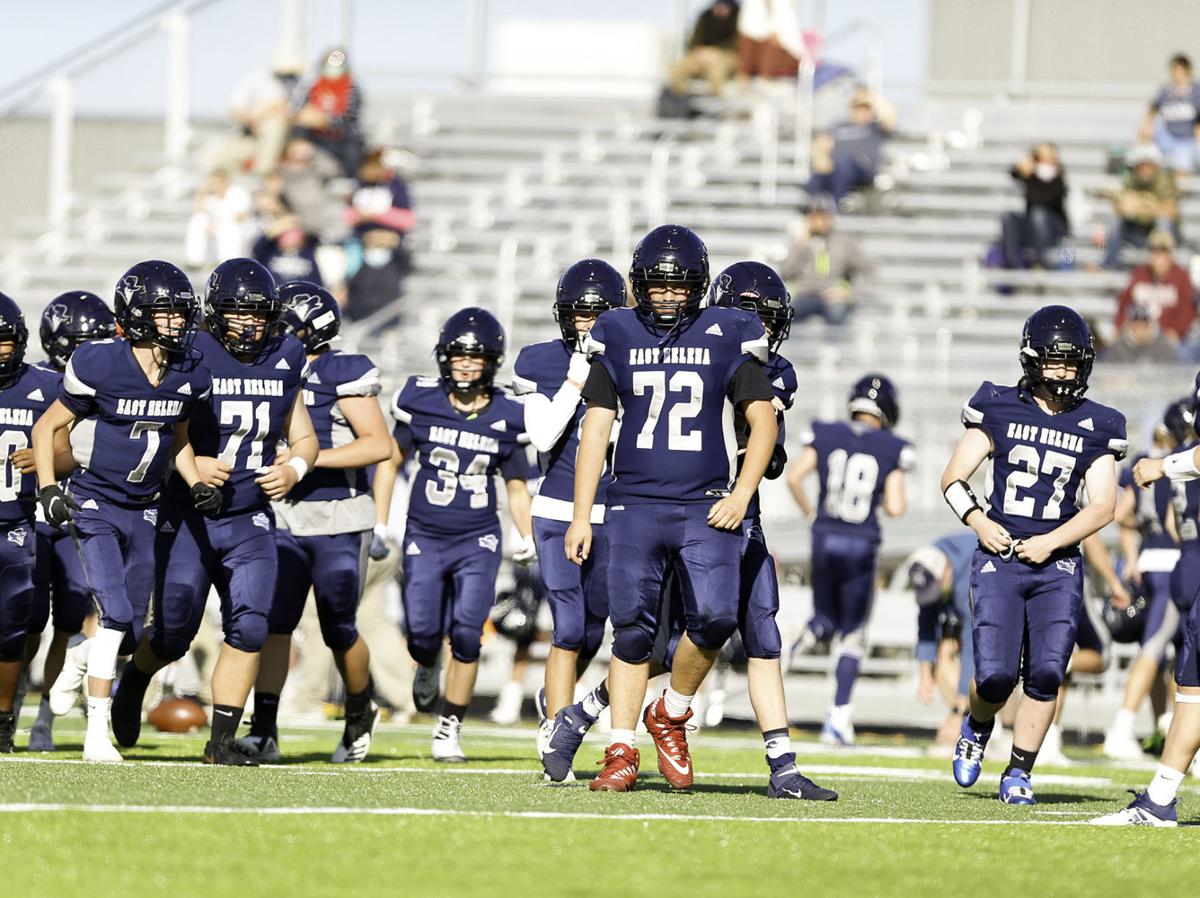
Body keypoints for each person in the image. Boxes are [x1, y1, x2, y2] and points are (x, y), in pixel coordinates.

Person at [564, 225, 778, 793]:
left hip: (704, 506)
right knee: (631, 633)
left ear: (700, 287)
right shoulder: (615, 330)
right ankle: (620, 751)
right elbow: (595, 430)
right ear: (638, 286)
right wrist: (583, 513)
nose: (666, 296)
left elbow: (763, 422)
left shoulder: (728, 333)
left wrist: (740, 492)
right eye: (656, 286)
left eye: (679, 286)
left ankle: (673, 711)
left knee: (715, 619)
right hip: (634, 503)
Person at [109, 259, 317, 766]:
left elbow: (303, 435)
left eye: (257, 314)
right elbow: (153, 423)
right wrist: (192, 461)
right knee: (174, 633)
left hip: (250, 517)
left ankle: (221, 741)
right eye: (235, 313)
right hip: (189, 515)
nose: (248, 324)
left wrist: (295, 470)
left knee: (249, 624)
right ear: (213, 313)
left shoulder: (286, 354)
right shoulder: (188, 349)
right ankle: (136, 675)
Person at [942, 305, 1126, 805]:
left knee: (1047, 670)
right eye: (1055, 362)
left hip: (1058, 562)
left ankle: (1019, 771)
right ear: (1032, 360)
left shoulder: (1099, 423)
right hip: (999, 557)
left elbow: (1104, 506)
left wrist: (1053, 540)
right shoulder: (998, 406)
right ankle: (977, 726)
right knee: (997, 675)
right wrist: (980, 522)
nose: (1065, 372)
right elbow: (953, 478)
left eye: (1073, 363)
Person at [34, 261, 213, 763]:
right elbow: (47, 429)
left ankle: (78, 656)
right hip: (96, 503)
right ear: (136, 314)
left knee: (132, 631)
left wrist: (196, 482)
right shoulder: (101, 363)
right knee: (114, 616)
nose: (177, 323)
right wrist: (49, 488)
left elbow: (177, 439)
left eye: (182, 314)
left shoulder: (188, 370)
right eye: (167, 313)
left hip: (146, 506)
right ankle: (96, 734)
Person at [233, 281, 392, 763]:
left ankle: (360, 710)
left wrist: (304, 460)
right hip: (280, 515)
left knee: (338, 626)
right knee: (273, 624)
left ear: (311, 329)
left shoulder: (341, 371)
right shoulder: (265, 368)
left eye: (280, 323)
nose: (266, 329)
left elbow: (379, 445)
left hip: (338, 516)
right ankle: (263, 729)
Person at [703, 260, 837, 799]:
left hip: (742, 514)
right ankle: (589, 715)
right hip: (684, 509)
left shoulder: (776, 370)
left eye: (766, 319)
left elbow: (764, 445)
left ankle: (783, 765)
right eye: (747, 317)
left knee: (763, 634)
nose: (758, 329)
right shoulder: (686, 355)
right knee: (662, 644)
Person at [390, 308, 533, 762]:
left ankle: (449, 726)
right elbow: (390, 463)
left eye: (476, 358)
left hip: (478, 538)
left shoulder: (509, 414)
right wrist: (382, 521)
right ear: (443, 357)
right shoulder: (419, 400)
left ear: (492, 362)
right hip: (425, 534)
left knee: (469, 634)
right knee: (421, 633)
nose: (466, 365)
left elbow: (515, 485)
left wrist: (524, 535)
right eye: (457, 356)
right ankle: (427, 661)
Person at [510, 259, 625, 780]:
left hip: (616, 512)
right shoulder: (542, 360)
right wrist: (578, 377)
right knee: (568, 627)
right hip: (557, 510)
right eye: (581, 314)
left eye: (599, 314)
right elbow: (543, 434)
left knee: (595, 631)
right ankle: (558, 731)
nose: (589, 323)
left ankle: (556, 703)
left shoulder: (636, 356)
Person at [1091, 379, 1200, 825]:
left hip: (1182, 564)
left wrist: (1163, 466)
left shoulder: (1174, 461)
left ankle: (1124, 732)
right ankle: (1159, 799)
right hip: (1186, 563)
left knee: (1173, 666)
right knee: (1190, 686)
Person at [786, 374, 913, 745]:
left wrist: (812, 513)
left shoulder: (826, 433)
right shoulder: (893, 447)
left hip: (824, 535)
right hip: (860, 541)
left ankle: (801, 638)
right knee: (854, 632)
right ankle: (838, 718)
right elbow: (896, 506)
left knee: (826, 615)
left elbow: (795, 477)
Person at [23, 292, 116, 752]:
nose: (92, 349)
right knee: (26, 619)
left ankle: (44, 719)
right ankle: (13, 704)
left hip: (80, 513)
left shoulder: (112, 381)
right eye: (84, 342)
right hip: (33, 515)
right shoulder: (35, 381)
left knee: (69, 621)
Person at [1101, 404, 1186, 761]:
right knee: (1159, 648)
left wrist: (1132, 557)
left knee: (1167, 651)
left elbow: (1123, 514)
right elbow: (1174, 525)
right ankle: (1122, 728)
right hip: (1177, 562)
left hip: (1150, 560)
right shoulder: (1184, 461)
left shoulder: (1145, 461)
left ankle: (1165, 726)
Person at [0, 295, 60, 751]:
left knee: (12, 624)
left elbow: (79, 450)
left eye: (1, 341)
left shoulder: (46, 385)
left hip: (15, 523)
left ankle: (2, 720)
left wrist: (48, 459)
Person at [905, 532, 978, 747]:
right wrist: (925, 673)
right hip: (971, 631)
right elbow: (926, 622)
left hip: (1008, 626)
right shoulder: (931, 559)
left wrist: (959, 711)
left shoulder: (971, 574)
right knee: (944, 651)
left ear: (947, 571)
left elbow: (975, 642)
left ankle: (983, 725)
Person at [779, 195, 873, 326]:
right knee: (787, 316)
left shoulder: (844, 242)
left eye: (823, 216)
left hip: (834, 296)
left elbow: (867, 271)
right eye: (814, 216)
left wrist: (850, 293)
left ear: (831, 218)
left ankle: (834, 347)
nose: (819, 221)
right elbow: (786, 273)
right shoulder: (800, 242)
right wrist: (801, 244)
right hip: (806, 293)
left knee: (837, 316)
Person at [345, 149, 415, 322]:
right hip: (363, 247)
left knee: (387, 292)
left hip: (389, 249)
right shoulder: (360, 185)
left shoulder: (396, 187)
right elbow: (348, 216)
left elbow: (407, 219)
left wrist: (376, 217)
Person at [211, 51, 304, 175]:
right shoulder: (257, 79)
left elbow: (291, 113)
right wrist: (253, 119)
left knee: (275, 125)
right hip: (254, 138)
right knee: (222, 158)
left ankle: (263, 173)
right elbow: (234, 108)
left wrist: (270, 111)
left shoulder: (301, 85)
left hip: (285, 140)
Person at [808, 88, 896, 204]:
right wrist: (821, 158)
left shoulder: (875, 128)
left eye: (865, 108)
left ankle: (835, 207)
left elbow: (889, 117)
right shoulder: (839, 126)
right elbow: (822, 142)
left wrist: (871, 98)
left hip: (863, 169)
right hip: (836, 167)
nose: (861, 111)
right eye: (857, 107)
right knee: (818, 175)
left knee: (844, 164)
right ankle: (814, 210)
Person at [1102, 145, 1180, 270]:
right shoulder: (1131, 179)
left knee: (1163, 221)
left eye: (1148, 165)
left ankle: (1164, 266)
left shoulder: (1165, 180)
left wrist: (1142, 204)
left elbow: (1171, 211)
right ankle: (1110, 265)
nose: (1145, 169)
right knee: (1113, 221)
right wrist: (1128, 206)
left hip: (1163, 235)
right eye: (1141, 165)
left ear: (1155, 166)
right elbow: (1120, 206)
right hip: (1138, 233)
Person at [293, 48, 365, 176]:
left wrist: (325, 121)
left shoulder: (352, 89)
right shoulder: (313, 88)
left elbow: (348, 120)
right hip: (318, 141)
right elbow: (301, 114)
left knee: (353, 150)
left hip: (342, 142)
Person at [1114, 229, 1194, 344]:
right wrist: (1121, 327)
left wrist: (1176, 330)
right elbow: (1124, 304)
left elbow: (1187, 310)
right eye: (1155, 253)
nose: (1158, 259)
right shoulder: (1139, 274)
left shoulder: (1182, 277)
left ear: (1170, 255)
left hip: (1168, 338)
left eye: (1163, 254)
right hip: (1138, 336)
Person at [1000, 143, 1070, 269]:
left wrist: (1032, 176)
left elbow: (1043, 202)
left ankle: (1041, 261)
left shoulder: (1059, 178)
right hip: (1033, 227)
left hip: (1055, 229)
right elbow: (1013, 173)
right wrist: (1023, 168)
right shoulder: (1031, 175)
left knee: (1038, 214)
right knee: (1008, 217)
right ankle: (1011, 263)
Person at [1139, 53, 1200, 174]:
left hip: (1188, 140)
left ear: (1187, 71)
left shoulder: (1196, 91)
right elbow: (1152, 109)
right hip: (1168, 138)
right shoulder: (1166, 91)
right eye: (1173, 70)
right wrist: (1147, 125)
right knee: (1145, 143)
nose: (1176, 74)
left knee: (1183, 158)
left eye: (1179, 70)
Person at [668, 1, 740, 97]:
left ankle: (715, 100)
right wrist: (700, 50)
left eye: (725, 7)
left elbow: (737, 41)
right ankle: (682, 99)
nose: (721, 10)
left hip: (726, 55)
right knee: (678, 69)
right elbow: (695, 40)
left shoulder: (739, 17)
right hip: (702, 54)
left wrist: (717, 51)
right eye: (719, 6)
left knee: (717, 71)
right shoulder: (705, 16)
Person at [184, 170, 253, 268]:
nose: (212, 185)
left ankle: (230, 263)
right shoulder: (210, 196)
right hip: (217, 227)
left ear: (224, 181)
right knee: (198, 221)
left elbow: (241, 217)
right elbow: (197, 210)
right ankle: (194, 261)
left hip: (241, 228)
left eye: (214, 182)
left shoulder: (238, 193)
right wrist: (202, 192)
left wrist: (218, 222)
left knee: (229, 227)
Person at [252, 214, 323, 287]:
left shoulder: (308, 251)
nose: (290, 235)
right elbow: (257, 249)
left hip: (301, 296)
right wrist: (277, 227)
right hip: (275, 294)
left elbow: (318, 236)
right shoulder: (270, 251)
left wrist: (296, 223)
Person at [1101, 305, 1176, 364]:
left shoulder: (1164, 346)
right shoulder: (1117, 348)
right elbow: (1108, 374)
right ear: (1129, 326)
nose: (1140, 330)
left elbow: (1169, 374)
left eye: (1144, 325)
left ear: (1151, 325)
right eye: (1136, 326)